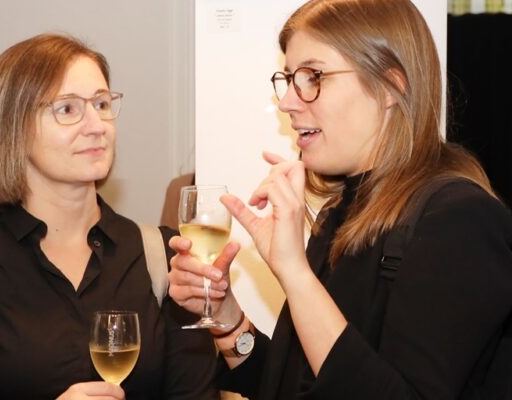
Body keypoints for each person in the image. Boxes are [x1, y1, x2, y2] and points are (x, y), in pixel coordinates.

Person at [167, 0, 512, 399]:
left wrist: (294, 274)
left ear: (390, 87)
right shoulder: (339, 215)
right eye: (289, 79)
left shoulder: (460, 220)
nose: (287, 101)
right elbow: (295, 384)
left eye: (313, 76)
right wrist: (227, 319)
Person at [0, 33, 218, 400]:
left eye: (102, 104)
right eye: (68, 109)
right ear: (13, 129)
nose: (97, 125)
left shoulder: (166, 260)